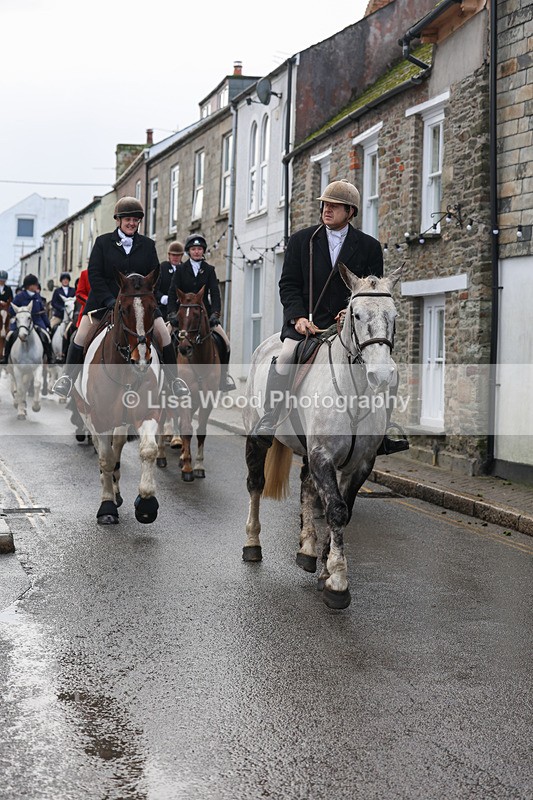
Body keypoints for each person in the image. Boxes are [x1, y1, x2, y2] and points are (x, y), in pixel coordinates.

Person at [250, 179, 408, 455]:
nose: (327, 209)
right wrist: (297, 317)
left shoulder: (370, 247)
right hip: (306, 327)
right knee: (285, 358)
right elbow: (288, 284)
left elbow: (372, 290)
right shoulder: (301, 241)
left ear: (350, 212)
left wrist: (350, 312)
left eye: (335, 206)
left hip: (349, 330)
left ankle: (381, 431)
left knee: (390, 371)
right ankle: (270, 418)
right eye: (325, 204)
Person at [52, 197, 189, 399]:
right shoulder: (103, 243)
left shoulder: (148, 245)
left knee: (165, 335)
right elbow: (95, 275)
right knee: (80, 335)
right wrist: (108, 299)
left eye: (136, 220)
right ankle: (67, 378)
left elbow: (155, 276)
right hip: (103, 303)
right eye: (128, 219)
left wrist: (144, 298)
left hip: (140, 305)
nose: (132, 223)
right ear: (118, 220)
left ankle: (173, 381)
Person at [167, 234, 236, 392]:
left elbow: (215, 294)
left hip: (203, 316)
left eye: (199, 249)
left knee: (225, 342)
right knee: (165, 340)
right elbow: (172, 293)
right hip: (183, 317)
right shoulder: (180, 270)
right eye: (193, 249)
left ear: (203, 251)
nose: (196, 252)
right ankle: (169, 378)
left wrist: (215, 315)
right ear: (188, 251)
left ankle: (224, 377)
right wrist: (171, 314)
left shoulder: (209, 270)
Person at [0, 273, 55, 364]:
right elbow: (11, 310)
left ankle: (50, 357)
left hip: (36, 321)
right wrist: (20, 312)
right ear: (30, 286)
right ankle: (5, 357)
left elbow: (42, 311)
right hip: (21, 322)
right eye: (35, 284)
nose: (37, 286)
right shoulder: (20, 296)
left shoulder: (37, 296)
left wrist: (47, 324)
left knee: (46, 336)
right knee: (9, 335)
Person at [157, 241, 184, 321]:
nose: (175, 258)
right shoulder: (162, 268)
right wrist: (161, 297)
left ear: (181, 256)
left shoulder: (186, 269)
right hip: (163, 308)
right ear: (169, 255)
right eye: (173, 255)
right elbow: (154, 287)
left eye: (178, 255)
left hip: (181, 308)